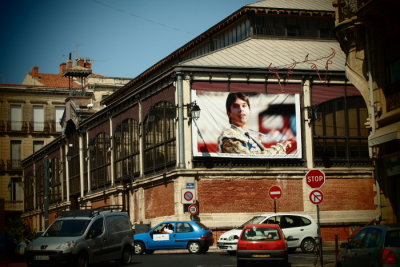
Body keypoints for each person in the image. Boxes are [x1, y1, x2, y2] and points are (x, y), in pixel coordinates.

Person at [218, 92, 291, 154]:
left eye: (244, 106)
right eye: (236, 106)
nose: (241, 109)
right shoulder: (229, 137)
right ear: (229, 113)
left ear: (250, 110)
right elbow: (253, 159)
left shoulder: (252, 136)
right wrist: (280, 147)